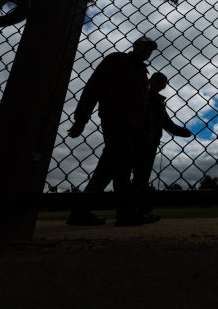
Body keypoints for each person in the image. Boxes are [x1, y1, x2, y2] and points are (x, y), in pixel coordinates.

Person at [66, 36, 158, 226]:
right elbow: (93, 87)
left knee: (108, 168)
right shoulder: (116, 60)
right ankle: (126, 213)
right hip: (116, 119)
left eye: (150, 49)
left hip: (133, 127)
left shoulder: (142, 72)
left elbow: (145, 105)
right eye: (145, 46)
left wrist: (147, 130)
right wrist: (81, 119)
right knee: (122, 164)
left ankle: (80, 211)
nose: (147, 51)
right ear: (135, 45)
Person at [132, 72, 192, 221]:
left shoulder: (157, 101)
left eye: (163, 83)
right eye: (158, 81)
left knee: (140, 176)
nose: (161, 85)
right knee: (139, 176)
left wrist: (184, 132)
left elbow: (167, 124)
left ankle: (137, 210)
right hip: (139, 139)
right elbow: (167, 124)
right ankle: (138, 210)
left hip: (148, 141)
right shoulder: (140, 94)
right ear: (150, 80)